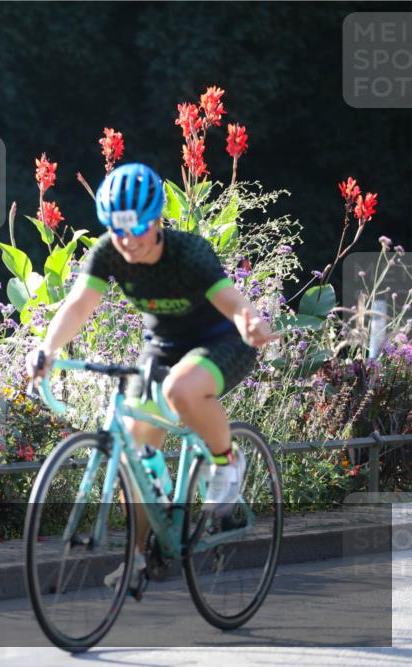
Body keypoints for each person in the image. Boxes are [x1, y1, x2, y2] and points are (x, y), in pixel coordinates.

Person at [24, 162, 278, 590]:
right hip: (163, 347)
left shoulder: (188, 252)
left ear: (157, 221)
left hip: (221, 342)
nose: (126, 241)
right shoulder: (108, 252)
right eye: (117, 230)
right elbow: (79, 305)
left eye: (135, 229)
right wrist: (46, 349)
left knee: (181, 389)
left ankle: (227, 461)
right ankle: (141, 555)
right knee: (132, 446)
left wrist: (249, 321)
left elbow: (230, 301)